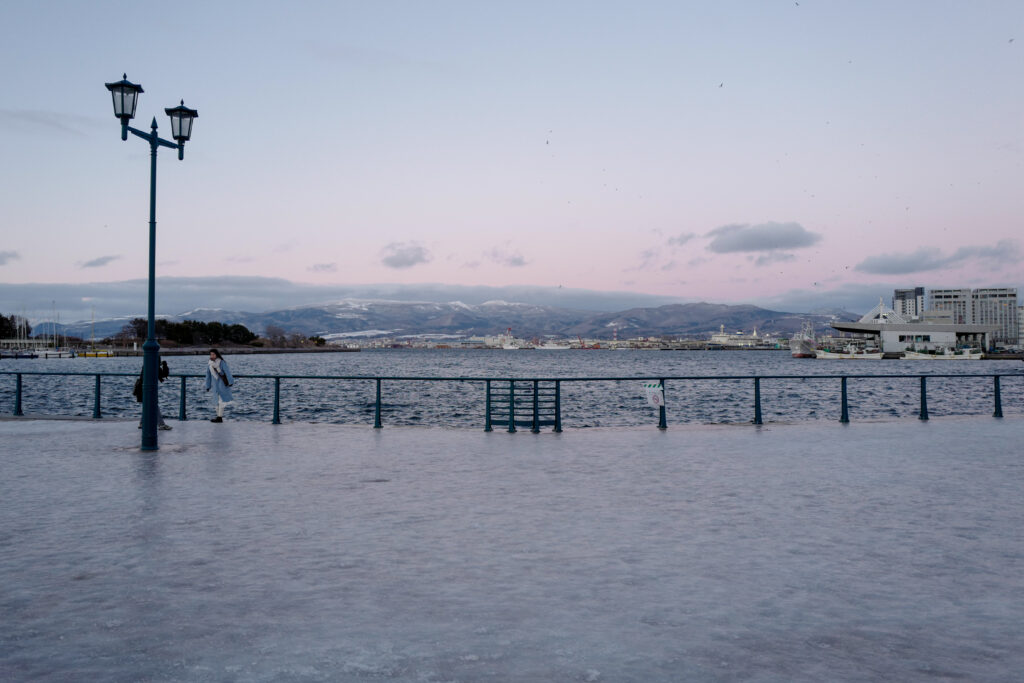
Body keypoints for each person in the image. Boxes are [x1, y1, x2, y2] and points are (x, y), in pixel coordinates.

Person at [134, 359, 172, 430]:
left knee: (147, 405)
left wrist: (164, 366)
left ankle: (142, 423)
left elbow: (162, 374)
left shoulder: (148, 364)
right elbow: (163, 374)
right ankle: (161, 424)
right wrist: (164, 365)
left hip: (142, 387)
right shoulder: (154, 366)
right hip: (147, 388)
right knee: (154, 405)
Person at [205, 349, 234, 423]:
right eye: (211, 354)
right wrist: (207, 386)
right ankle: (218, 417)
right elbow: (208, 376)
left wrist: (230, 382)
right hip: (214, 385)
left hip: (222, 384)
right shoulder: (209, 364)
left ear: (217, 355)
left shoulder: (222, 362)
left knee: (221, 400)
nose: (212, 356)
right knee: (215, 401)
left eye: (213, 354)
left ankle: (219, 417)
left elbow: (227, 372)